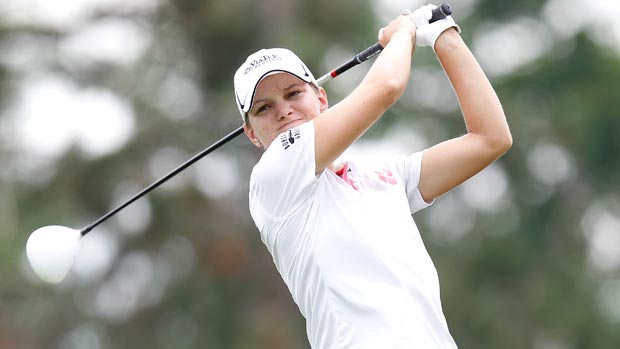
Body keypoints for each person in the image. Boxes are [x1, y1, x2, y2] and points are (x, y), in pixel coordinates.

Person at [233, 3, 511, 348]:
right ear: (252, 134)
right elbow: (387, 87)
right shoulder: (273, 176)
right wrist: (403, 34)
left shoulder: (382, 175)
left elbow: (490, 138)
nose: (284, 110)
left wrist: (443, 34)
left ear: (321, 98)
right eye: (264, 108)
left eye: (293, 93)